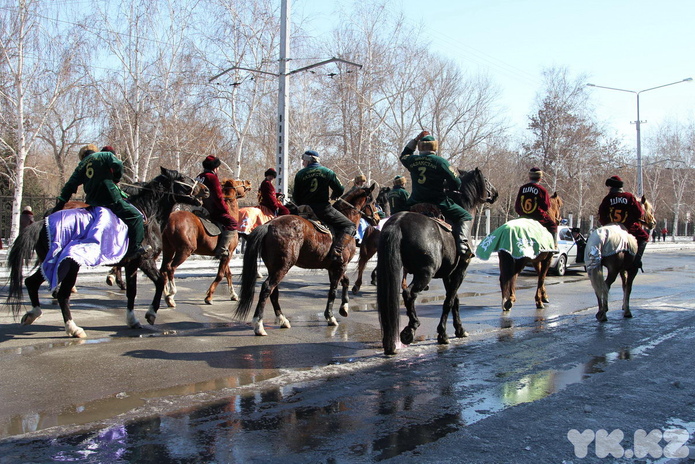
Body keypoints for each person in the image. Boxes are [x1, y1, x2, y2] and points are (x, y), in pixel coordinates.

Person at [52, 144, 148, 261]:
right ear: (95, 151)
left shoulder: (82, 165)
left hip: (93, 202)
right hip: (111, 198)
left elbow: (69, 186)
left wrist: (60, 204)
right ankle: (134, 249)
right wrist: (116, 178)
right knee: (136, 216)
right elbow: (118, 164)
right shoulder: (105, 155)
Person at [400, 131, 473, 257]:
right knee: (466, 216)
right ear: (434, 147)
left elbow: (404, 155)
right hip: (438, 202)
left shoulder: (412, 160)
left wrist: (415, 139)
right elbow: (456, 182)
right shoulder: (441, 162)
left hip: (414, 202)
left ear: (420, 147)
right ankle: (462, 244)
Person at [293, 150, 355, 264]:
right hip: (322, 209)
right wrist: (334, 195)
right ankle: (337, 252)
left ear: (309, 160)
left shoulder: (300, 174)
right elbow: (340, 189)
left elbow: (295, 196)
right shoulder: (327, 172)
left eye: (304, 161)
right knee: (350, 225)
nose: (303, 163)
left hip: (304, 210)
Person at [597, 175, 649, 269]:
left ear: (612, 187)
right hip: (628, 227)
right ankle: (637, 260)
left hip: (611, 227)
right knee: (644, 236)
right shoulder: (629, 196)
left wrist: (607, 225)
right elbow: (639, 213)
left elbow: (601, 215)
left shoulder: (607, 198)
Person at [197, 155, 238, 258]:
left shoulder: (199, 176)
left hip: (199, 209)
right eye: (218, 167)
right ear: (215, 168)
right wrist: (225, 210)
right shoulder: (212, 177)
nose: (218, 169)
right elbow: (218, 197)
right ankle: (222, 249)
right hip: (212, 210)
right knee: (232, 222)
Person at [514, 167, 557, 245]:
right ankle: (553, 247)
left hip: (523, 216)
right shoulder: (542, 190)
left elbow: (517, 206)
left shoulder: (522, 188)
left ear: (529, 177)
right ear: (540, 178)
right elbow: (546, 207)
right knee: (553, 225)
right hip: (538, 217)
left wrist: (522, 214)